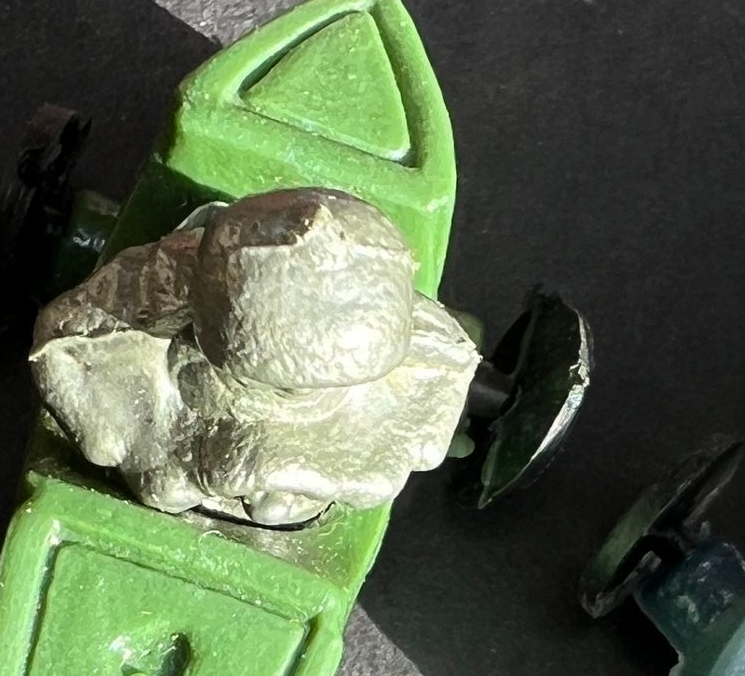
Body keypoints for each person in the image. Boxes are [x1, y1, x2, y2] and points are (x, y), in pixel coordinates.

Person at [29, 186, 479, 526]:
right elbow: (69, 342)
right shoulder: (154, 293)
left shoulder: (415, 370)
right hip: (192, 394)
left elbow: (445, 365)